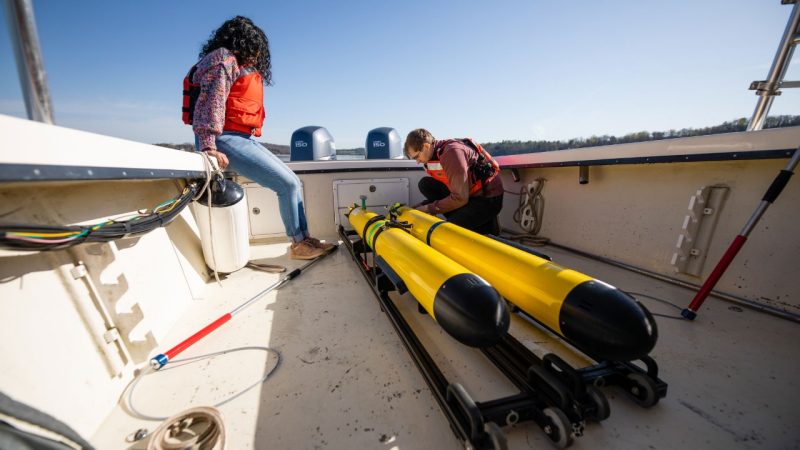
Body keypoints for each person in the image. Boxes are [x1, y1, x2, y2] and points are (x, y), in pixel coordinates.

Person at [186, 16, 333, 260]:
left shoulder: (234, 62)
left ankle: (304, 239)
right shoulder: (222, 60)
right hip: (224, 139)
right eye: (253, 48)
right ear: (241, 42)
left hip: (243, 138)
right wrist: (209, 145)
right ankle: (298, 245)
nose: (256, 55)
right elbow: (210, 104)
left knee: (293, 182)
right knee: (285, 185)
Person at [404, 128, 504, 234]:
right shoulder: (432, 155)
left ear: (426, 146)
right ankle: (465, 218)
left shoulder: (451, 153)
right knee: (425, 184)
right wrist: (417, 208)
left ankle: (484, 226)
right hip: (468, 194)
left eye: (417, 157)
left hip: (487, 198)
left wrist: (428, 209)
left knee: (448, 231)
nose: (417, 162)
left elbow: (460, 198)